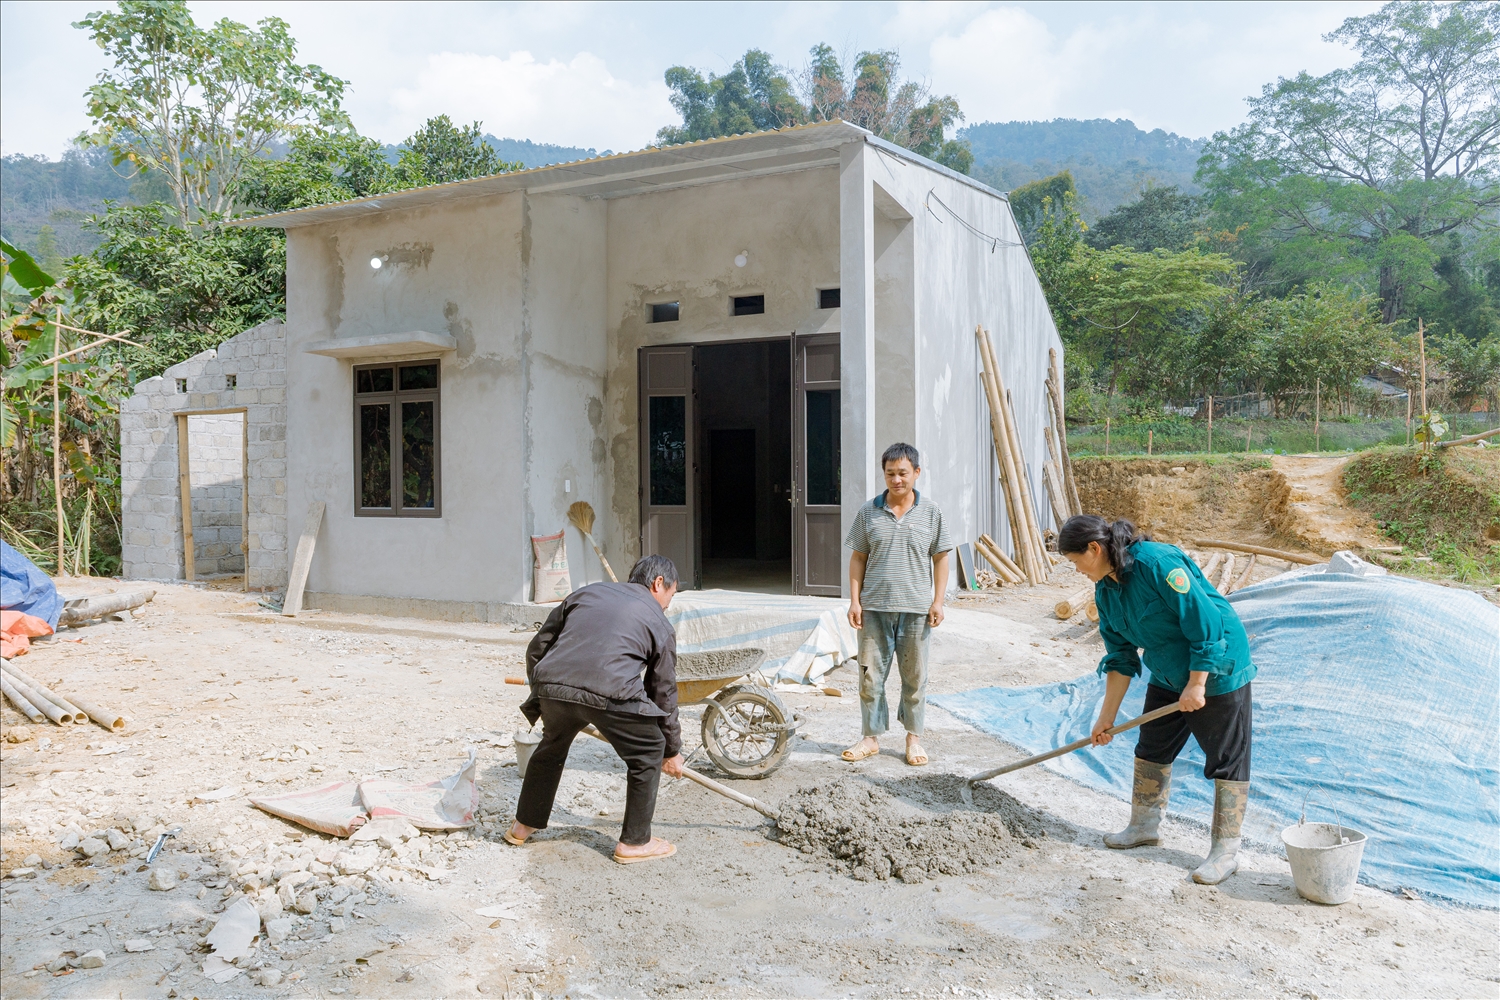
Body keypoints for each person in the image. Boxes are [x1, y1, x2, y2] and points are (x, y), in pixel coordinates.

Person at [1058, 515, 1256, 885]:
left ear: (1094, 549)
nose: (1077, 571)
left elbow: (1205, 621)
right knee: (1152, 747)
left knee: (1226, 758)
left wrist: (1197, 683)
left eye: (1075, 561)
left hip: (1216, 667)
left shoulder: (1158, 564)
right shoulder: (1106, 591)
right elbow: (1121, 658)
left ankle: (1226, 851)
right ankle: (1144, 826)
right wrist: (1106, 718)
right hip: (1168, 669)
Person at [506, 554, 686, 864]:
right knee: (648, 750)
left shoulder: (587, 592)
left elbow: (538, 646)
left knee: (551, 746)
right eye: (672, 593)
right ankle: (634, 842)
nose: (669, 603)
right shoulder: (659, 622)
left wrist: (544, 691)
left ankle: (523, 826)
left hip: (553, 688)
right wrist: (670, 749)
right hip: (609, 693)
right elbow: (662, 690)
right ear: (659, 583)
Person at [841, 442, 952, 767]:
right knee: (869, 677)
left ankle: (913, 739)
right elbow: (858, 558)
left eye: (903, 473)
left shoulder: (931, 512)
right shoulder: (868, 512)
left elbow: (941, 558)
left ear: (916, 472)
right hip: (874, 609)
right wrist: (854, 601)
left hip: (916, 610)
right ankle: (870, 738)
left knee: (915, 677)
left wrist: (938, 602)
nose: (897, 479)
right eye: (890, 473)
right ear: (884, 474)